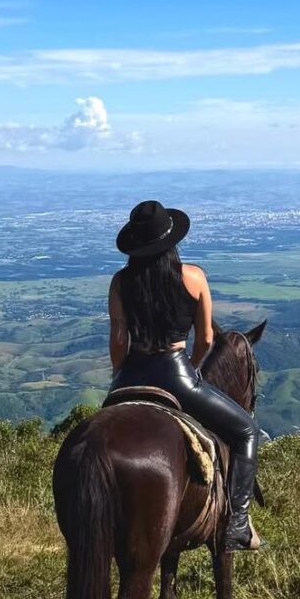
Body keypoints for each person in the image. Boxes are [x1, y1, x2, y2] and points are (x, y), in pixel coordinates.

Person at [107, 199, 264, 552]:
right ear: (171, 240)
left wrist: (120, 376)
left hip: (130, 375)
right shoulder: (193, 277)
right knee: (246, 431)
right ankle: (237, 524)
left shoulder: (121, 282)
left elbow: (119, 339)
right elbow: (206, 337)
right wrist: (193, 369)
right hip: (177, 373)